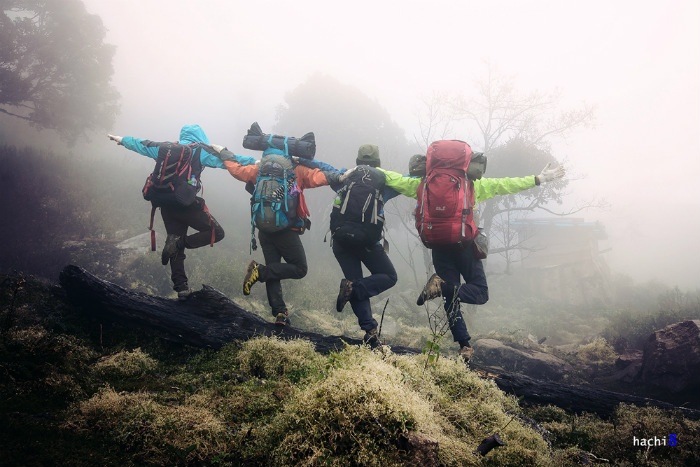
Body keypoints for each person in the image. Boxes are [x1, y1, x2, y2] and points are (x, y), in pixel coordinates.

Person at [379, 152, 565, 362]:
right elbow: (506, 184)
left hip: (438, 246)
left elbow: (390, 177)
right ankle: (445, 294)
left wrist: (361, 171)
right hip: (465, 245)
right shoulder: (472, 185)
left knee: (451, 299)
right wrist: (538, 179)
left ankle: (464, 346)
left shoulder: (422, 185)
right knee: (480, 292)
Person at [207, 143, 342, 326]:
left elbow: (236, 169)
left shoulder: (259, 169)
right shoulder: (296, 171)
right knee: (300, 269)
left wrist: (223, 152)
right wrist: (341, 176)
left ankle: (280, 313)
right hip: (286, 232)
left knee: (274, 269)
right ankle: (259, 272)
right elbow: (320, 178)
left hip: (264, 230)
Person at [107, 125, 226, 300]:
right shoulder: (200, 151)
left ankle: (181, 289)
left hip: (166, 204)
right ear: (200, 137)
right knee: (217, 232)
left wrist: (122, 140)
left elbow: (143, 144)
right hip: (186, 205)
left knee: (174, 238)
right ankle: (179, 243)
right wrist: (238, 158)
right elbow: (228, 163)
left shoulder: (168, 148)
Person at [329, 144, 398, 348]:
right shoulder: (383, 184)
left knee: (354, 281)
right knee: (389, 276)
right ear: (378, 163)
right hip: (367, 242)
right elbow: (407, 183)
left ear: (358, 161)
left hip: (340, 240)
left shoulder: (346, 177)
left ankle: (369, 331)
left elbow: (324, 172)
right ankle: (355, 294)